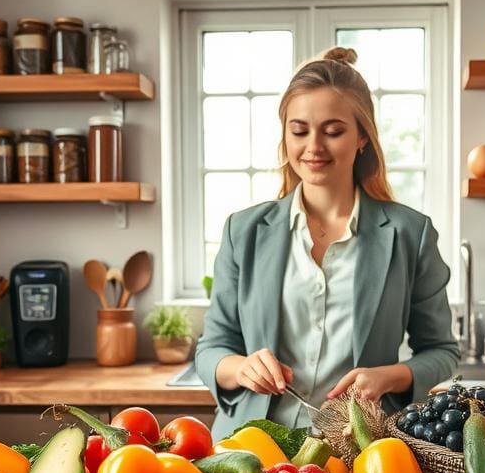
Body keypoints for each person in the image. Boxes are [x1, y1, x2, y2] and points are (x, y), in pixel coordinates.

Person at [195, 46, 459, 439]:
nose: (313, 147)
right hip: (253, 443)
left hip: (360, 448)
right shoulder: (243, 231)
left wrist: (390, 377)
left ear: (362, 138)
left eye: (333, 131)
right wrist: (240, 368)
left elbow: (442, 352)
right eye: (299, 131)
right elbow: (211, 348)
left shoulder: (410, 234)